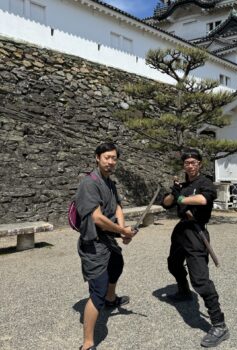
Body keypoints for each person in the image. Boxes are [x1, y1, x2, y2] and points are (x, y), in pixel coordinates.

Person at [162, 148, 229, 348]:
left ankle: (219, 325)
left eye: (193, 162)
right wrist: (173, 194)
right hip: (181, 229)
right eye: (187, 163)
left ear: (199, 163)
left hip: (196, 232)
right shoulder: (182, 185)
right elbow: (165, 204)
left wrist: (182, 199)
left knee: (200, 280)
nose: (190, 165)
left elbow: (203, 199)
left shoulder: (205, 183)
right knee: (173, 264)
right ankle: (183, 291)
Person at [75, 142, 136, 350]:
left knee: (117, 264)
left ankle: (112, 300)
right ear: (97, 158)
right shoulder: (89, 183)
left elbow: (118, 205)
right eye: (106, 157)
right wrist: (122, 232)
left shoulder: (110, 182)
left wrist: (123, 228)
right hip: (93, 244)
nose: (110, 162)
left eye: (114, 158)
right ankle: (87, 343)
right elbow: (98, 218)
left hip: (108, 241)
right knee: (97, 291)